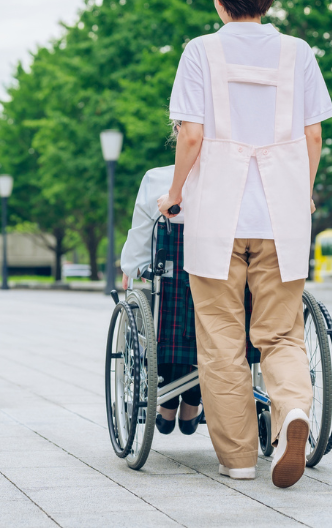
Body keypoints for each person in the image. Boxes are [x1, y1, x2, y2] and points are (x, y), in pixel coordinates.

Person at [158, 0, 332, 488]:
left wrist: (173, 192)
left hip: (217, 214)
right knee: (280, 334)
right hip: (281, 213)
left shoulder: (200, 52)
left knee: (220, 338)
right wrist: (302, 191)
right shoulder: (298, 52)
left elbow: (190, 134)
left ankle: (237, 459)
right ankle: (293, 414)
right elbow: (313, 135)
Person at [120, 127, 205, 436]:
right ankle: (192, 400)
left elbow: (142, 234)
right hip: (230, 279)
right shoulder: (239, 184)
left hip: (173, 285)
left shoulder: (157, 180)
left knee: (168, 310)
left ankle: (168, 401)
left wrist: (132, 265)